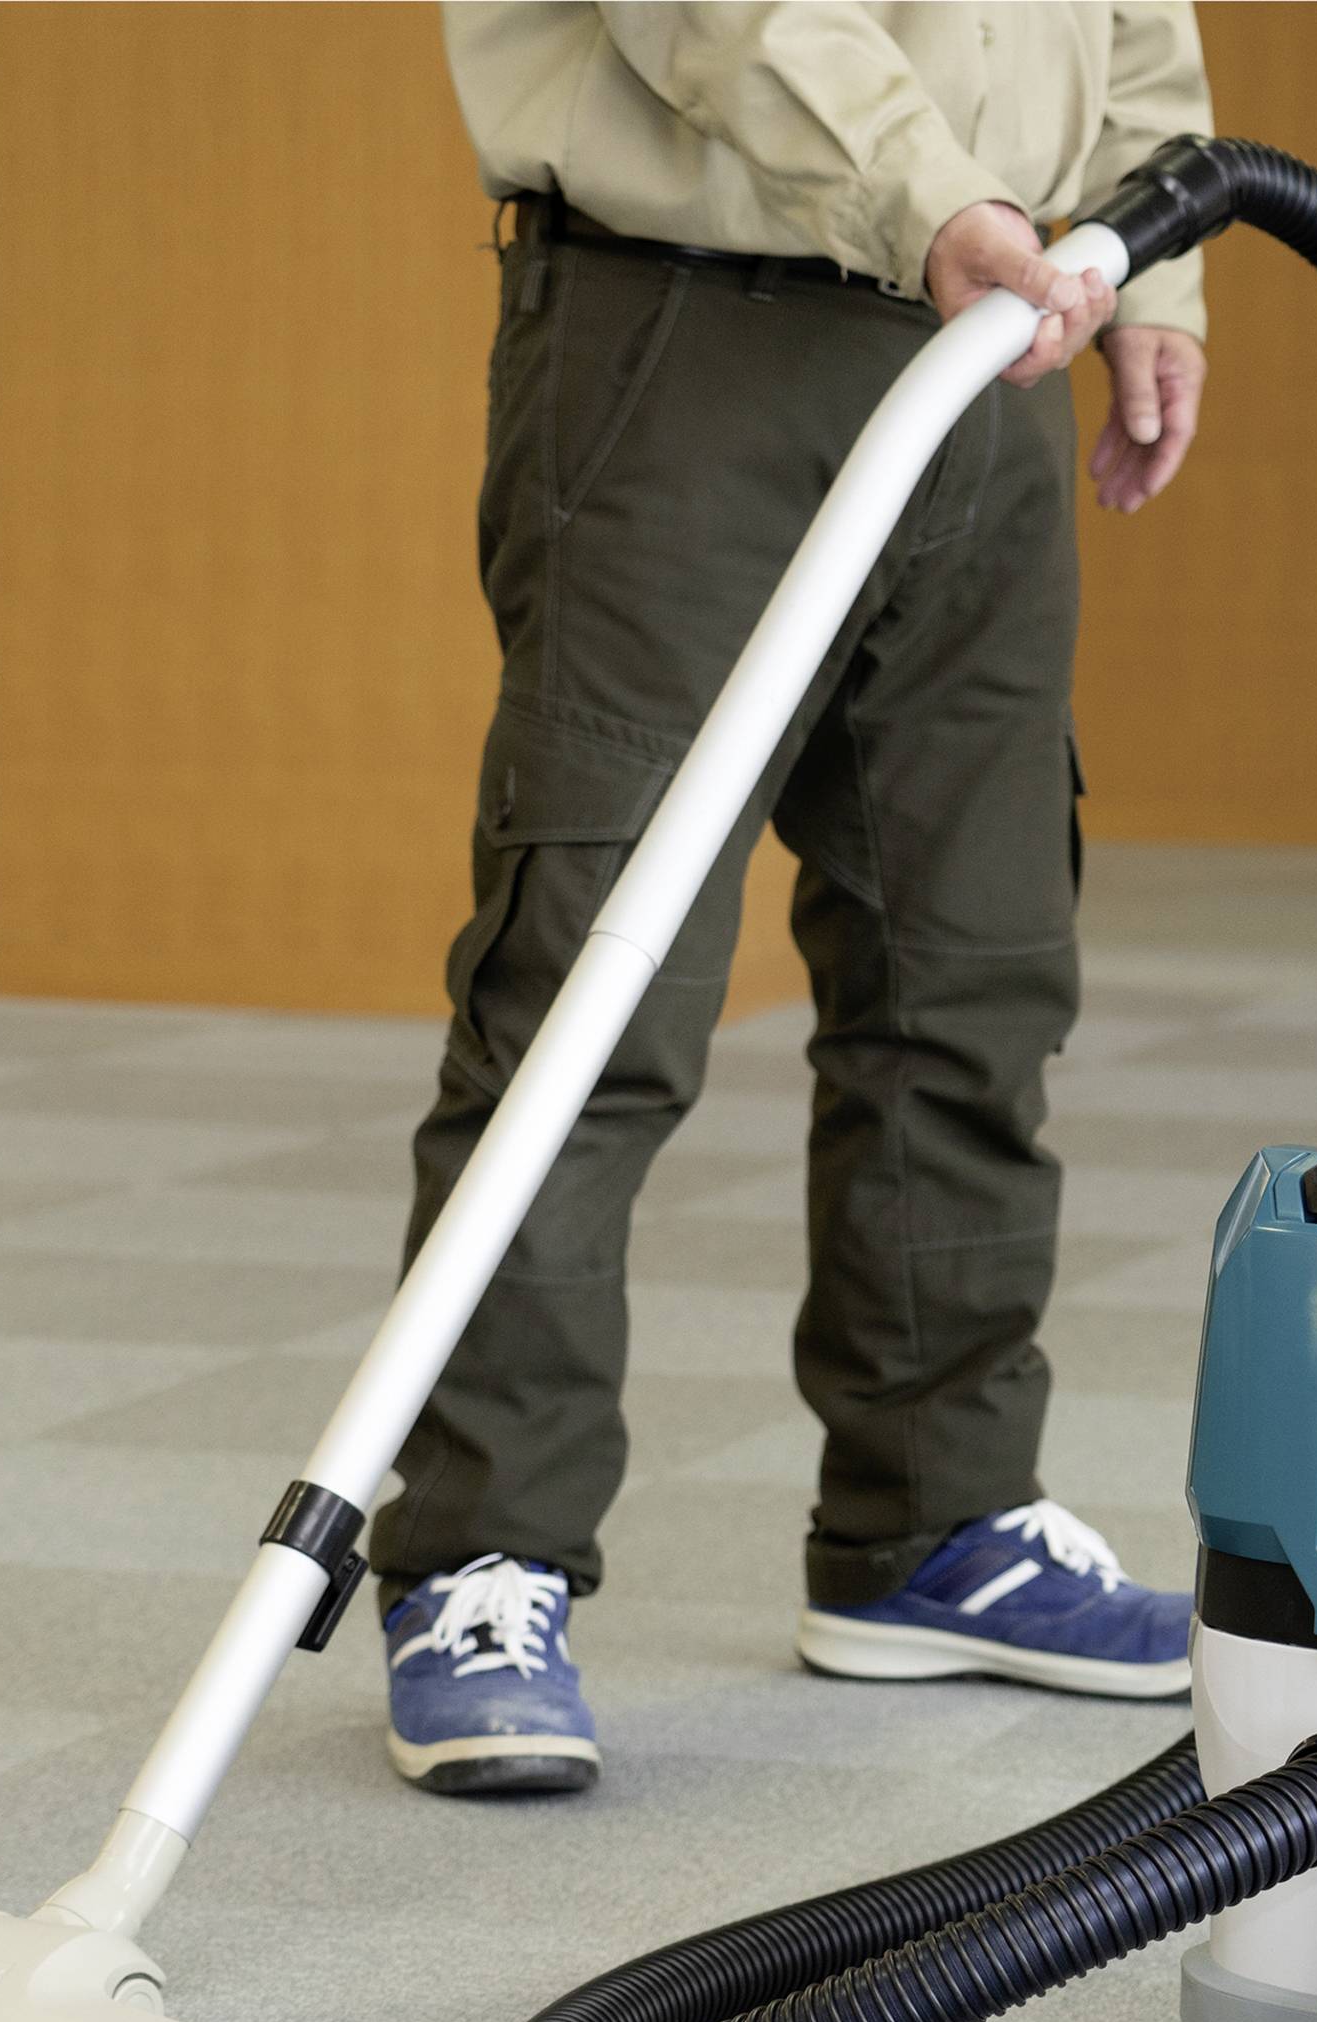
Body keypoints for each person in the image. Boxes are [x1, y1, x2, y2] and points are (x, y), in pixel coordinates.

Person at [376, 3, 1215, 1795]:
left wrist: (1158, 264)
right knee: (594, 988)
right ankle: (479, 1556)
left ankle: (937, 1520)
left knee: (970, 971)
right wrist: (926, 197)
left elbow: (1136, 25)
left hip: (990, 353)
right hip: (698, 341)